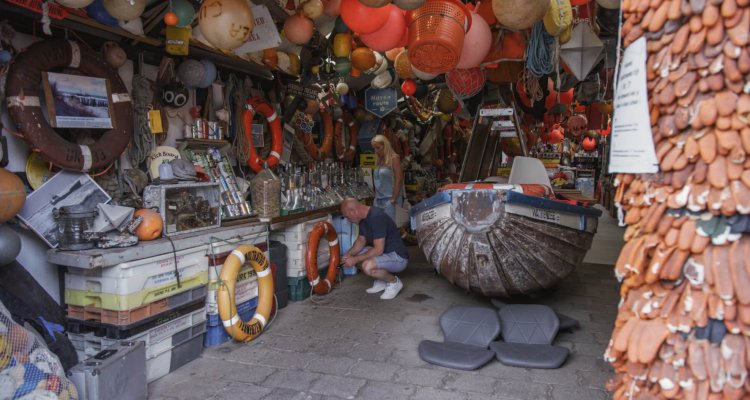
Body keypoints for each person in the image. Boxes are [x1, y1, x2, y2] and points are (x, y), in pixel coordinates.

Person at [340, 197, 409, 300]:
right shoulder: (363, 219)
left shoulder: (377, 217)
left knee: (367, 266)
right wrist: (348, 255)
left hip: (398, 257)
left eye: (348, 217)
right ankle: (381, 281)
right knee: (355, 257)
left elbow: (378, 250)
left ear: (354, 211)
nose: (348, 220)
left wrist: (355, 259)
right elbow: (360, 241)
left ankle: (394, 282)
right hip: (384, 254)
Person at [371, 134, 404, 223]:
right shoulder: (379, 160)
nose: (376, 151)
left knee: (391, 228)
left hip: (390, 200)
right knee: (379, 227)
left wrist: (393, 199)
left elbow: (399, 180)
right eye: (374, 148)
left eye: (378, 148)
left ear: (385, 146)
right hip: (378, 200)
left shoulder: (394, 158)